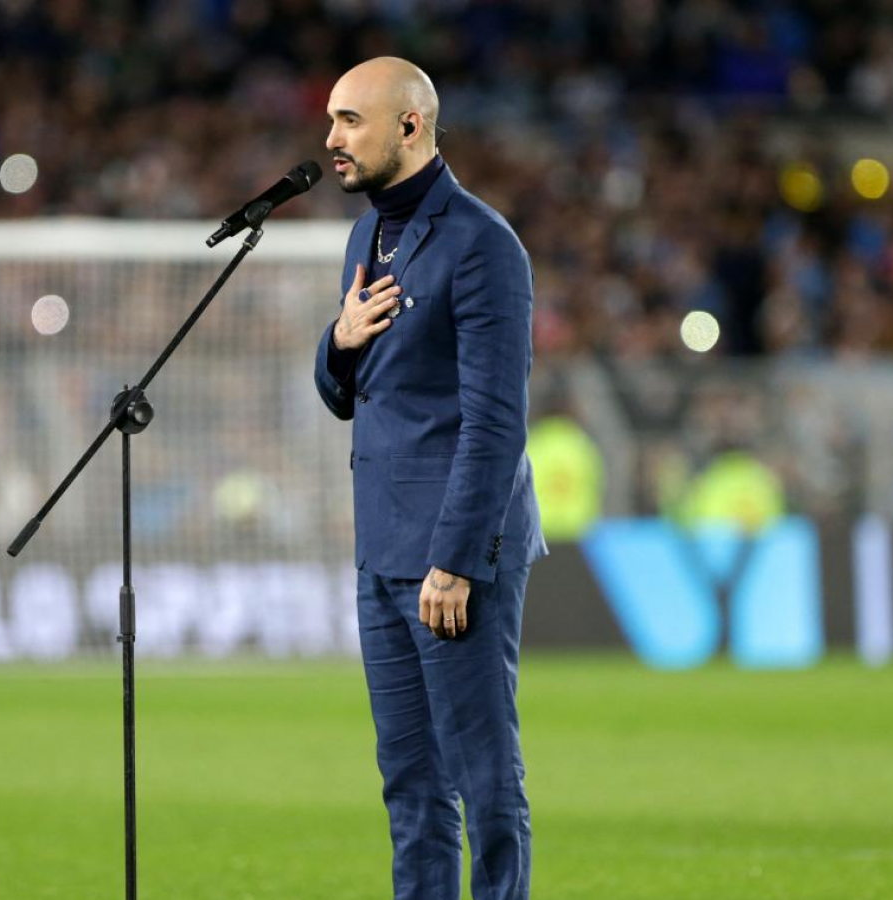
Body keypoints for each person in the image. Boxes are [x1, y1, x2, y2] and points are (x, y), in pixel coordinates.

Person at [313, 57, 547, 900]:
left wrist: (456, 560)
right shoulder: (366, 233)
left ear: (409, 127)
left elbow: (495, 424)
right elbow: (348, 393)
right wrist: (337, 342)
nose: (331, 139)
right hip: (381, 551)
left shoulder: (482, 245)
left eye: (349, 121)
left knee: (482, 782)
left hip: (454, 557)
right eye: (332, 120)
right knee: (410, 787)